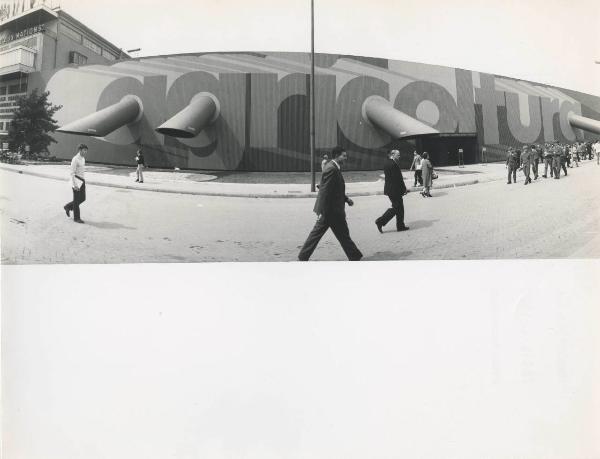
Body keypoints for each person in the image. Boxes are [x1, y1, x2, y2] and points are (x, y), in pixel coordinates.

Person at [298, 146, 363, 261]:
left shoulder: (334, 167)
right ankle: (354, 256)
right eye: (344, 156)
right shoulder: (332, 169)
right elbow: (325, 191)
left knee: (339, 234)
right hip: (331, 211)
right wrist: (322, 211)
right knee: (335, 235)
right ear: (337, 156)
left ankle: (354, 256)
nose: (346, 158)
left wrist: (346, 199)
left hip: (333, 210)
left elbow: (335, 190)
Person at [375, 149, 409, 233]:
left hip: (391, 189)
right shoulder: (393, 164)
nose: (399, 156)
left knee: (399, 208)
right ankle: (380, 221)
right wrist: (404, 189)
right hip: (394, 190)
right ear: (392, 154)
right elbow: (397, 179)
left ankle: (400, 226)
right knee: (397, 207)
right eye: (398, 154)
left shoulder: (387, 162)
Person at [63, 143, 88, 224]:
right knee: (76, 200)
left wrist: (83, 180)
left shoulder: (83, 158)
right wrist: (75, 185)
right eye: (84, 150)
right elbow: (72, 173)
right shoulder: (75, 159)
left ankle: (68, 206)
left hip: (82, 180)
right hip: (76, 180)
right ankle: (76, 218)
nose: (86, 152)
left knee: (83, 198)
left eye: (86, 150)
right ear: (80, 150)